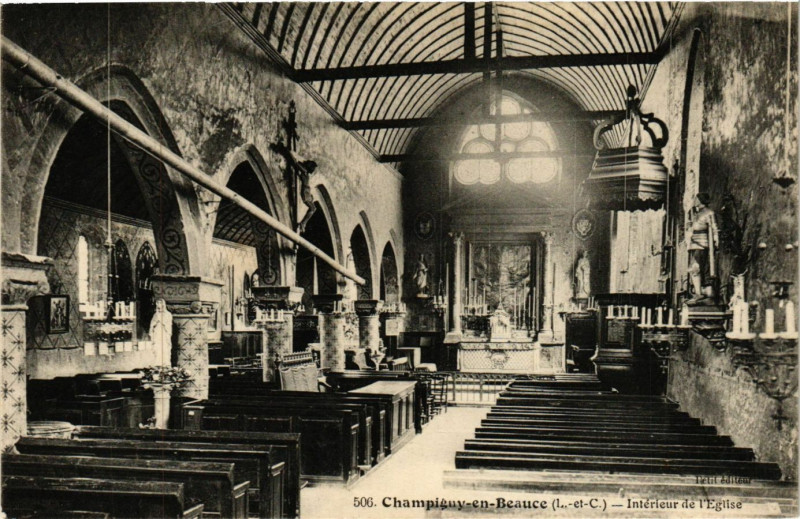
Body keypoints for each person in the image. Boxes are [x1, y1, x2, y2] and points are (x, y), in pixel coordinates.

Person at [271, 142, 318, 233]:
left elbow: (297, 162)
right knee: (313, 209)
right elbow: (295, 163)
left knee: (313, 208)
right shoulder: (304, 171)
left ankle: (303, 223)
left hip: (307, 192)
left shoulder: (305, 172)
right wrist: (288, 152)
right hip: (305, 192)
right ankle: (303, 223)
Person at [687, 192, 719, 305]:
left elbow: (714, 228)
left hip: (702, 244)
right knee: (695, 268)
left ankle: (699, 293)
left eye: (696, 199)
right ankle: (699, 292)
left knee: (694, 268)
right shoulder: (696, 213)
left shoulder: (709, 213)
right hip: (694, 243)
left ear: (700, 200)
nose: (694, 200)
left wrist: (715, 241)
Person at [149, 299, 173, 366]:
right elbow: (152, 325)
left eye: (160, 305)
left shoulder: (168, 314)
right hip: (157, 334)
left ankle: (165, 363)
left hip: (164, 334)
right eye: (157, 306)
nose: (159, 308)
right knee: (157, 348)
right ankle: (157, 363)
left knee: (165, 348)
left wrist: (162, 320)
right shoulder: (155, 315)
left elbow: (168, 325)